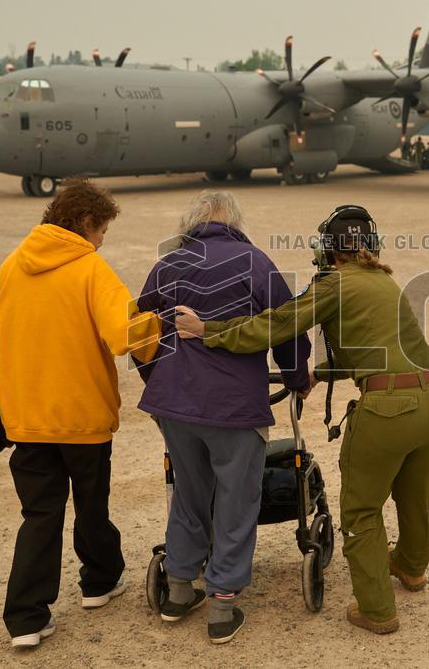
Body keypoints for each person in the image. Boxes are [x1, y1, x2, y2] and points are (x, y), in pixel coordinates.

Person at [174, 205, 429, 635]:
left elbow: (276, 324)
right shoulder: (383, 280)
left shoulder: (333, 283)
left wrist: (207, 331)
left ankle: (377, 611)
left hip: (389, 409)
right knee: (417, 497)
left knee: (362, 511)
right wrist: (319, 374)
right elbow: (378, 352)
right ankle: (412, 568)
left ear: (327, 249)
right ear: (371, 244)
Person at [0, 178, 161, 648]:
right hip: (81, 415)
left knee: (39, 514)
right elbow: (125, 335)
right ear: (87, 222)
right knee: (92, 504)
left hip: (25, 415)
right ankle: (98, 582)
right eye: (102, 231)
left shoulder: (13, 264)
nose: (102, 240)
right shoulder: (91, 269)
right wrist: (161, 324)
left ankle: (26, 619)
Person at [135, 190, 311, 644]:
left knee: (190, 492)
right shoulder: (255, 262)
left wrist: (159, 380)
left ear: (191, 223)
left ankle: (179, 588)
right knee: (236, 500)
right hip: (233, 406)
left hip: (175, 405)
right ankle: (222, 603)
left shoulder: (167, 265)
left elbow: (140, 332)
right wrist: (296, 378)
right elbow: (286, 326)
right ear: (234, 222)